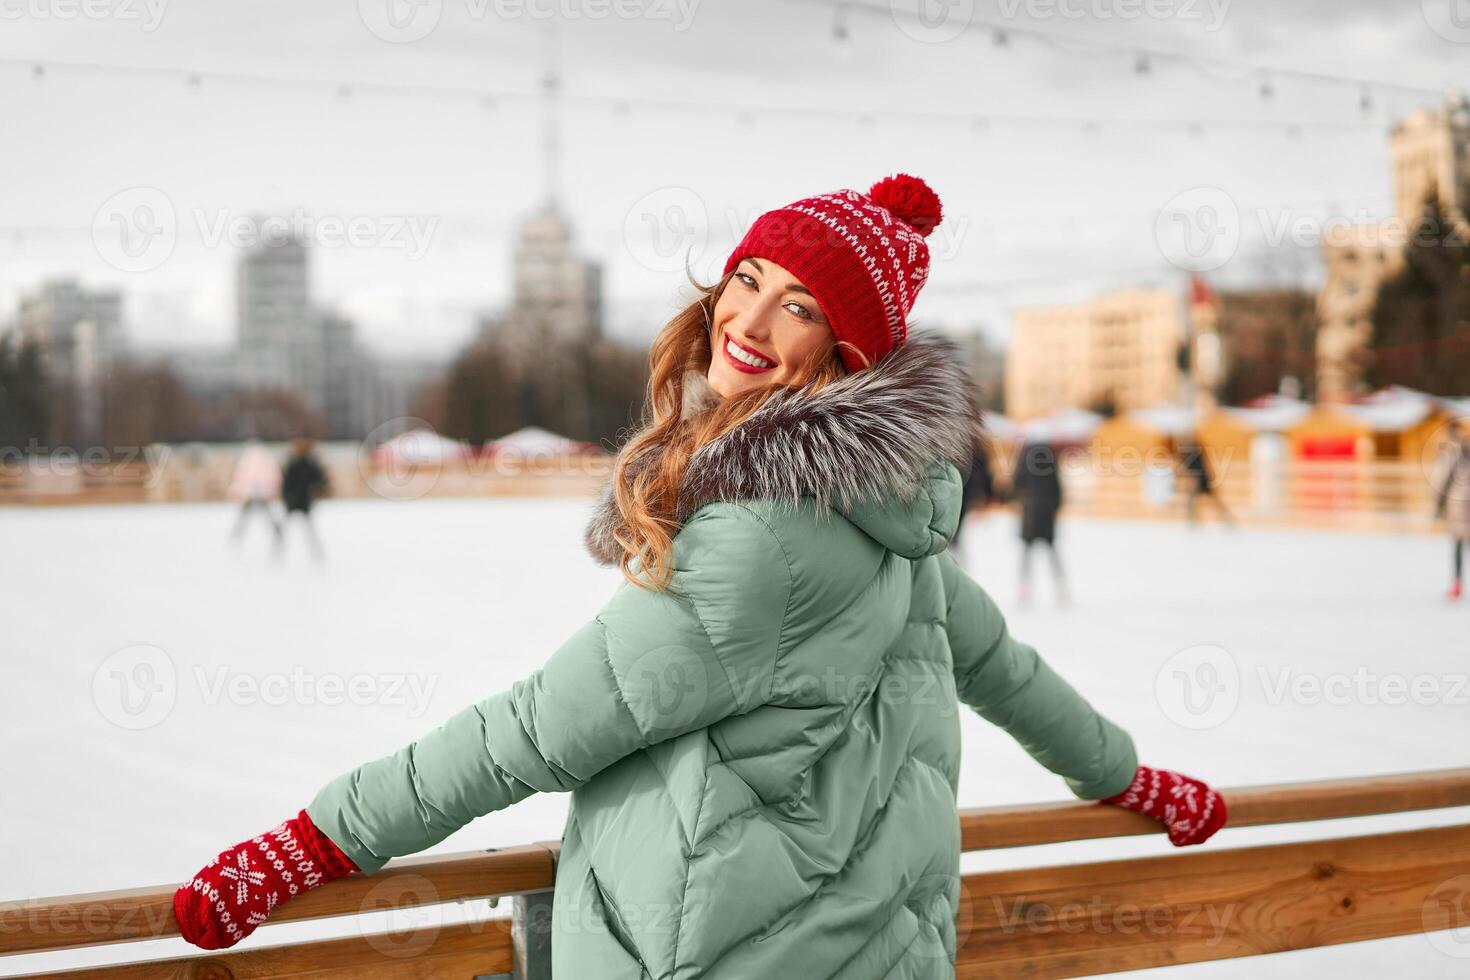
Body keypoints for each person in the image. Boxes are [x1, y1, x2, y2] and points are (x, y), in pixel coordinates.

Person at [173, 174, 1228, 976]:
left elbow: (542, 726)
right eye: (750, 280)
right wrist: (1127, 777)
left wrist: (315, 839)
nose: (751, 321)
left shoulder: (763, 534)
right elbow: (1006, 668)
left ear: (849, 354)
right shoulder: (888, 520)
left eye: (801, 306)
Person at [1011, 439, 1068, 606]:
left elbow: (1016, 483)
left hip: (1030, 511)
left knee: (1027, 552)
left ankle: (1024, 587)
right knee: (1052, 551)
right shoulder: (1050, 458)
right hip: (1047, 513)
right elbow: (1058, 489)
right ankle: (1061, 586)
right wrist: (1055, 507)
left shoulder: (1024, 459)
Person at [1432, 417, 1470, 600]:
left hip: (1459, 505)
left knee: (1458, 544)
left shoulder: (1450, 452)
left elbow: (1443, 479)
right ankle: (1457, 584)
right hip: (1462, 504)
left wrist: (1439, 505)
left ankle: (1457, 584)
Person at [946, 427, 994, 566]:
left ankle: (956, 559)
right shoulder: (973, 451)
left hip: (962, 495)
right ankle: (956, 558)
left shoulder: (964, 451)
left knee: (956, 529)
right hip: (962, 495)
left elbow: (984, 476)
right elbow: (985, 477)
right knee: (956, 529)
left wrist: (986, 495)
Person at [276, 437, 329, 561]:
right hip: (301, 501)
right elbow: (321, 480)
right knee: (303, 529)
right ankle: (279, 550)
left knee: (300, 529)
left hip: (297, 501)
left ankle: (279, 550)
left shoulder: (297, 463)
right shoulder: (307, 464)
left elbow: (285, 483)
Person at [225, 438, 282, 547]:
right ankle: (276, 533)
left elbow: (240, 477)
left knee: (245, 517)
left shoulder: (246, 460)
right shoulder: (266, 458)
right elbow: (274, 475)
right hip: (262, 492)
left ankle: (237, 536)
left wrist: (236, 490)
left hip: (250, 493)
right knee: (265, 515)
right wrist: (273, 489)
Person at [1177, 436, 1234, 527]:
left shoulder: (1191, 453)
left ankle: (1227, 520)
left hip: (1202, 480)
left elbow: (1195, 468)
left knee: (1210, 502)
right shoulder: (1188, 453)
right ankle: (1194, 523)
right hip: (1201, 479)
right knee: (1192, 503)